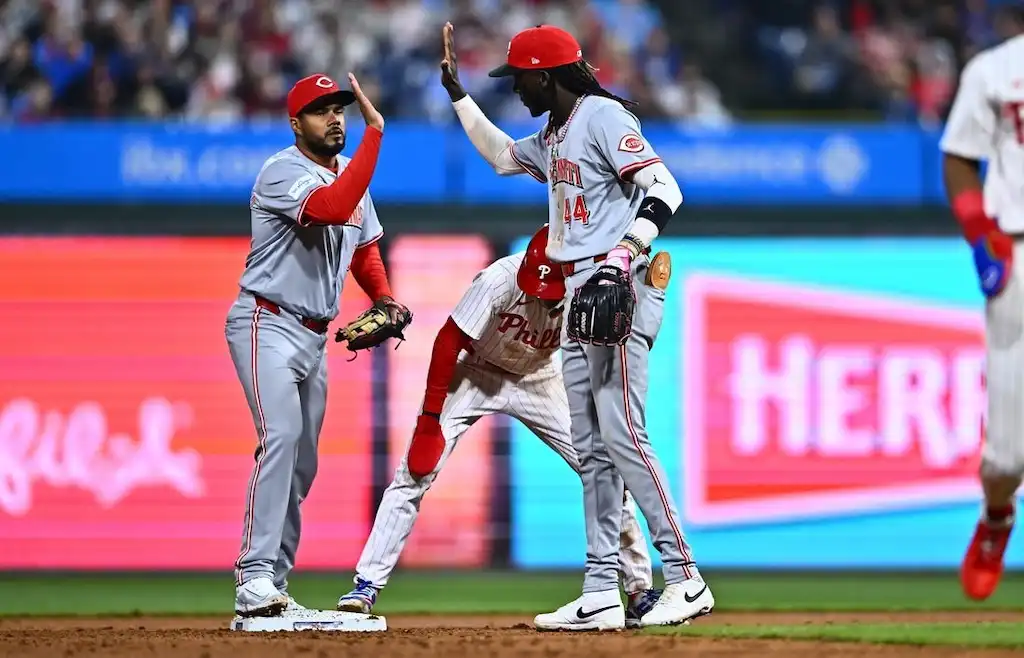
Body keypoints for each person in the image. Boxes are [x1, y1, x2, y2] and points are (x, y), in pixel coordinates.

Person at [440, 23, 713, 630]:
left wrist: (621, 258)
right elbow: (501, 157)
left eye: (519, 79)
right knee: (591, 449)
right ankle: (600, 592)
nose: (516, 90)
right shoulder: (555, 133)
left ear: (546, 74)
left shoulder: (602, 118)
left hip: (618, 287)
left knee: (623, 436)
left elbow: (666, 189)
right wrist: (458, 95)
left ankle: (685, 576)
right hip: (577, 291)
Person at [336, 226, 661, 629]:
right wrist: (429, 420)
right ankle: (366, 584)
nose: (538, 290)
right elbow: (448, 341)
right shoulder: (498, 280)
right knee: (413, 475)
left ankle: (638, 590)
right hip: (474, 373)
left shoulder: (585, 287)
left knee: (605, 470)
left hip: (538, 378)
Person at [226, 72, 411, 618]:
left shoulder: (351, 181)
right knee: (280, 437)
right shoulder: (283, 171)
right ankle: (252, 578)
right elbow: (331, 208)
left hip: (313, 336)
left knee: (302, 465)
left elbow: (364, 249)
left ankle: (273, 589)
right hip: (266, 322)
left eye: (340, 109)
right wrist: (375, 135)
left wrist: (384, 298)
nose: (335, 118)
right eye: (320, 110)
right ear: (295, 122)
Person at [938, 3, 1024, 603]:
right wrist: (979, 235)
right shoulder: (997, 69)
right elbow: (959, 155)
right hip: (1019, 248)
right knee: (1007, 454)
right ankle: (996, 519)